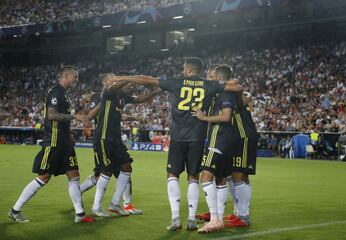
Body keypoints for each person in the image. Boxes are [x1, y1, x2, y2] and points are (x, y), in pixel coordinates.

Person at [110, 57, 242, 231]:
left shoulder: (177, 82)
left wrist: (123, 78)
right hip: (197, 137)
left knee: (172, 175)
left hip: (179, 137)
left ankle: (175, 218)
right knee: (193, 177)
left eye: (183, 68)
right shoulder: (209, 85)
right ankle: (192, 219)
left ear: (188, 69)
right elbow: (237, 87)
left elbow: (146, 79)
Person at [8, 66, 95, 223]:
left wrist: (68, 134)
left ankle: (80, 214)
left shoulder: (64, 95)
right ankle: (15, 210)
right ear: (66, 76)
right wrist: (74, 116)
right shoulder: (55, 91)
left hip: (64, 142)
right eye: (75, 77)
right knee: (44, 177)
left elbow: (61, 120)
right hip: (53, 141)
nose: (77, 80)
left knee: (74, 175)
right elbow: (52, 115)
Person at [80, 73, 160, 215]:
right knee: (105, 171)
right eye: (127, 84)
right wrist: (128, 78)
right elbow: (90, 115)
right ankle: (96, 206)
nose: (130, 86)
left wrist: (154, 92)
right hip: (104, 137)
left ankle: (115, 204)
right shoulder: (107, 92)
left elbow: (138, 99)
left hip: (116, 139)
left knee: (126, 167)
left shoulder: (122, 96)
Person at [191, 65, 237, 233]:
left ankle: (216, 218)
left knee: (205, 177)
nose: (207, 78)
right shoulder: (220, 93)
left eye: (210, 76)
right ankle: (217, 218)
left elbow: (226, 116)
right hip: (225, 141)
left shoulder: (225, 93)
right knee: (221, 179)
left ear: (217, 77)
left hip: (219, 141)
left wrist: (205, 118)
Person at [224, 90, 259, 228]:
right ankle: (238, 212)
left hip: (244, 137)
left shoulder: (237, 93)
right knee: (233, 175)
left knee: (240, 175)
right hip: (235, 138)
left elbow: (247, 98)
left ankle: (243, 216)